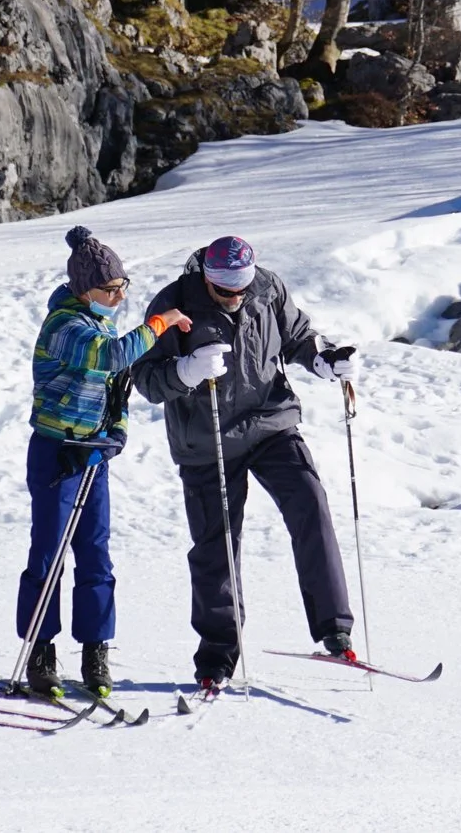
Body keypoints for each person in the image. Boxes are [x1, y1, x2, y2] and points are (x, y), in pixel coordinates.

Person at [130, 234, 359, 691]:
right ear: (207, 278)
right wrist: (185, 371)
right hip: (206, 439)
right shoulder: (173, 304)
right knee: (216, 546)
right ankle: (216, 657)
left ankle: (335, 630)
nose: (235, 298)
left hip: (271, 424)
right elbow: (146, 378)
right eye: (225, 290)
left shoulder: (267, 289)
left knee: (310, 503)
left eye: (242, 288)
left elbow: (298, 336)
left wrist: (324, 359)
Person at [14, 227, 189, 700]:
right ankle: (40, 649)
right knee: (49, 553)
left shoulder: (101, 323)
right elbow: (112, 359)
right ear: (82, 288)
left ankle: (95, 646)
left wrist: (118, 431)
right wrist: (160, 324)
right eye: (109, 289)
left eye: (122, 287)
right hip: (56, 451)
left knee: (96, 552)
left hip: (93, 454)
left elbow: (118, 389)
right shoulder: (65, 326)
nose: (119, 296)